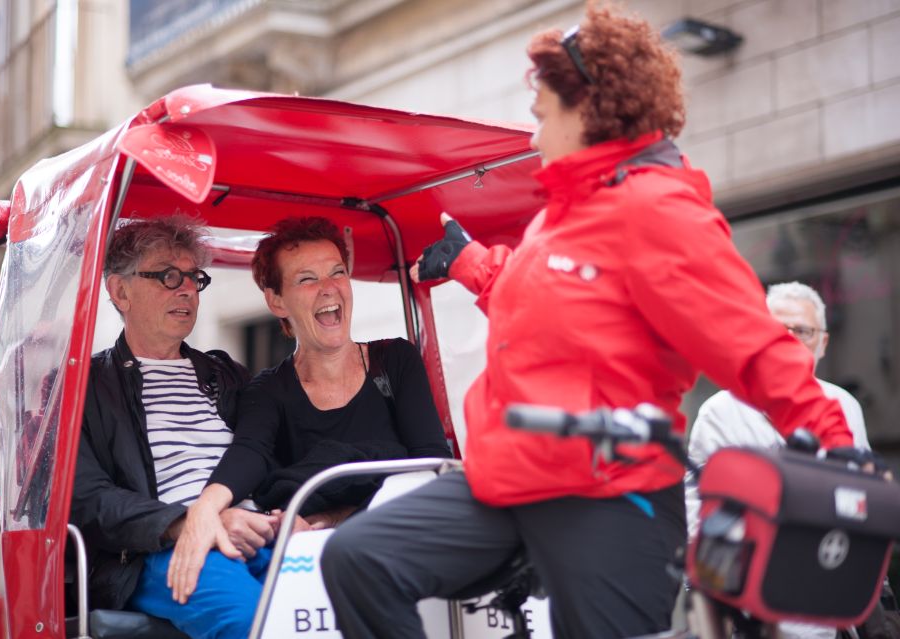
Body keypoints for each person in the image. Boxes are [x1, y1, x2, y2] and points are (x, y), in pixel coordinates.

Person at [318, 4, 858, 638]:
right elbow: (550, 309)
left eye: (542, 116)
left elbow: (750, 343)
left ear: (591, 111)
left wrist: (836, 445)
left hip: (610, 496)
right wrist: (470, 263)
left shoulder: (659, 211)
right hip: (513, 481)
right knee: (360, 559)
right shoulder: (561, 216)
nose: (532, 136)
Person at [167, 216, 452, 607]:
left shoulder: (395, 360)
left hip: (406, 542)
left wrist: (333, 518)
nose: (328, 288)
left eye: (337, 272)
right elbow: (248, 452)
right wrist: (204, 509)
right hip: (319, 571)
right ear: (276, 301)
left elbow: (432, 466)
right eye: (307, 279)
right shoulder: (267, 389)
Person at [70, 216, 280, 639]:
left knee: (348, 594)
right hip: (157, 548)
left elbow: (268, 452)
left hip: (260, 534)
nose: (186, 289)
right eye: (168, 275)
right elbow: (87, 499)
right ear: (120, 291)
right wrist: (189, 522)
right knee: (257, 623)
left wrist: (286, 513)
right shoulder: (85, 386)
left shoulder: (226, 374)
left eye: (193, 277)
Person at [686, 281, 871, 639]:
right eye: (776, 330)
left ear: (823, 343)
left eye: (801, 331)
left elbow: (859, 498)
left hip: (827, 592)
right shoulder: (720, 412)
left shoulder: (845, 407)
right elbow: (697, 510)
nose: (788, 340)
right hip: (746, 605)